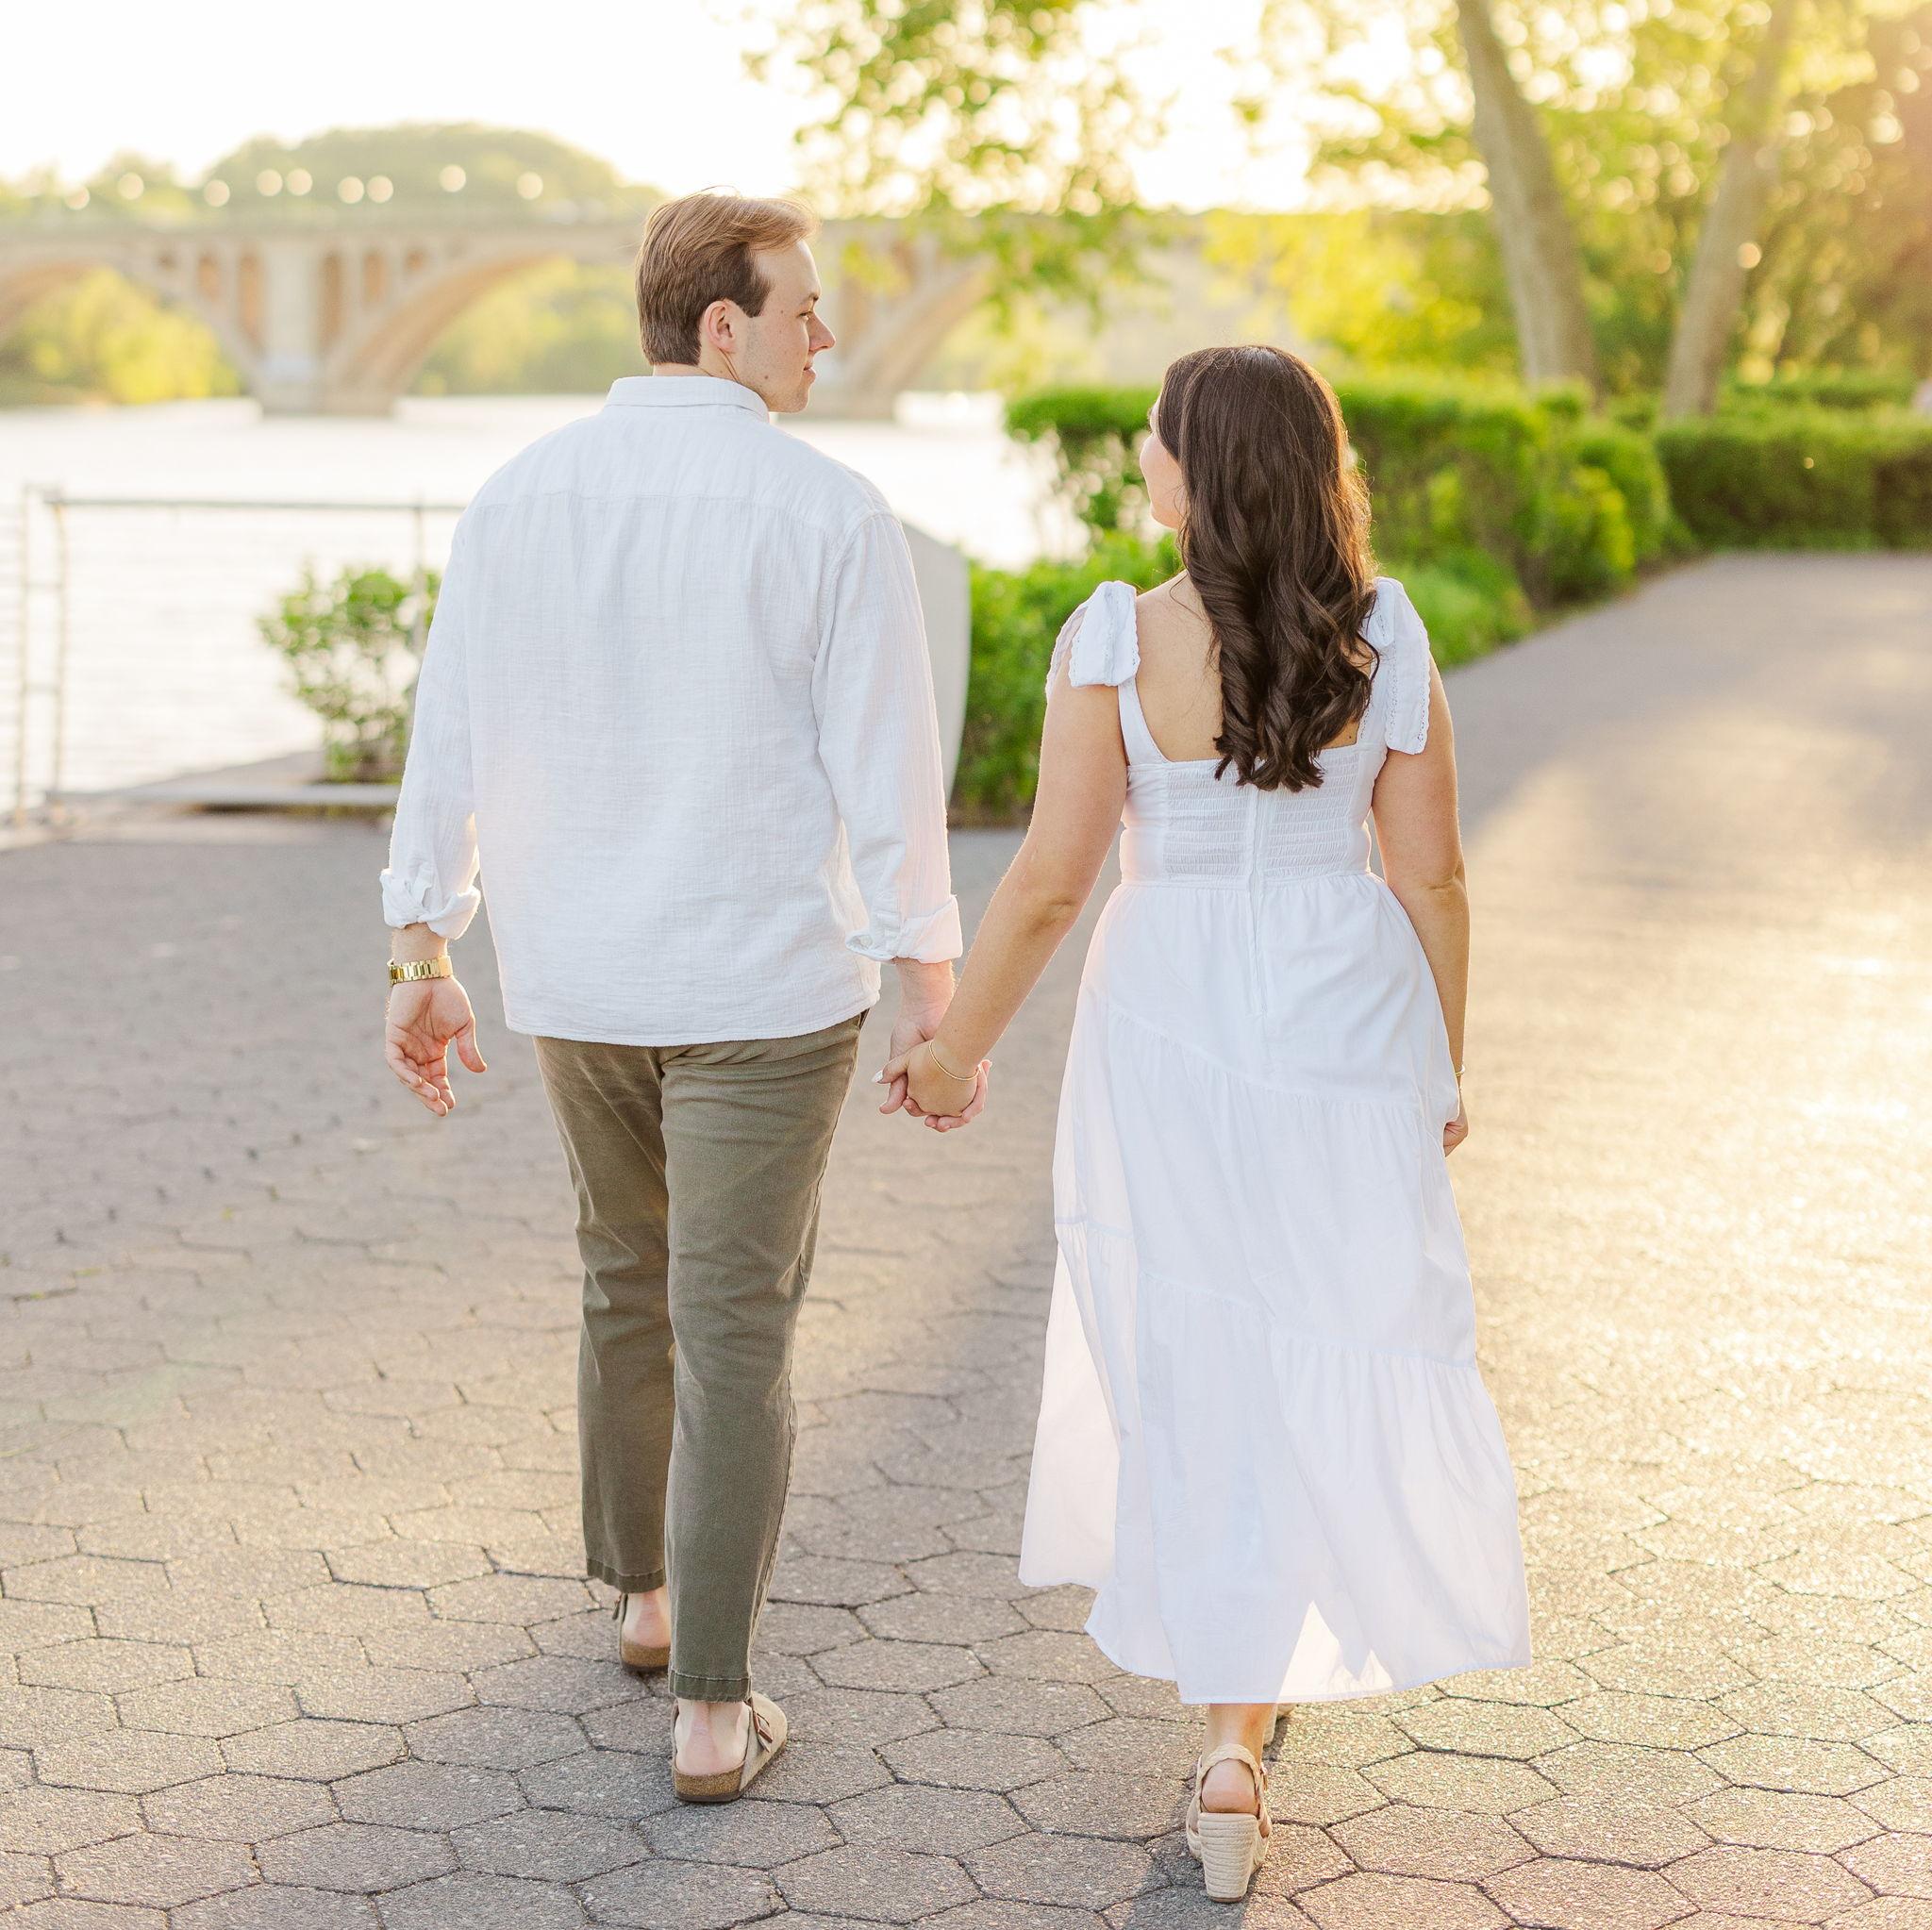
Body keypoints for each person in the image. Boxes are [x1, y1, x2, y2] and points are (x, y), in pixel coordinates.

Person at [882, 344, 1531, 1901]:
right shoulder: (1386, 634)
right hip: (1343, 1009)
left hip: (1167, 1018)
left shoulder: (1112, 639)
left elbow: (1049, 879)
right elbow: (1434, 876)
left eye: (1158, 443)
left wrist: (957, 1049)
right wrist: (1438, 1065)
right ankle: (1245, 1721)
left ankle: (1235, 1740)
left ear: (1203, 466)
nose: (1143, 464)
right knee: (1318, 1326)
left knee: (1209, 1350)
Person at [378, 191, 982, 1805]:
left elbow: (447, 740)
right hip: (765, 985)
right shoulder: (831, 515)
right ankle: (714, 1710)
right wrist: (931, 984)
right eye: (801, 308)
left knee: (619, 1279)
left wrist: (425, 954)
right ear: (722, 325)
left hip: (576, 976)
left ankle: (646, 1600)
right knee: (736, 1329)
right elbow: (887, 785)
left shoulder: (516, 500)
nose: (825, 334)